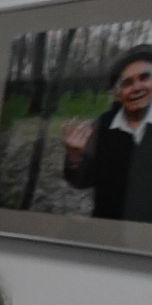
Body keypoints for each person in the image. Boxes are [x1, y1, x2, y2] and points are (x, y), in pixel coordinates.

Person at [62, 44, 152, 221]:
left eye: (145, 77)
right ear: (118, 93)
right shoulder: (102, 126)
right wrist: (75, 157)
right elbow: (81, 182)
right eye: (127, 83)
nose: (137, 87)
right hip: (109, 230)